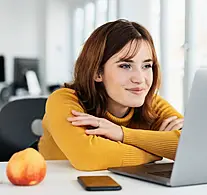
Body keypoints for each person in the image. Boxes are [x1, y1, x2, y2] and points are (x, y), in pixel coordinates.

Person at [38, 19, 184, 171]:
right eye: (125, 66)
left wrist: (122, 134)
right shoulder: (64, 101)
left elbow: (198, 146)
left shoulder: (152, 104)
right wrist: (156, 150)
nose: (140, 79)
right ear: (97, 72)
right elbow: (89, 157)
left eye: (147, 66)